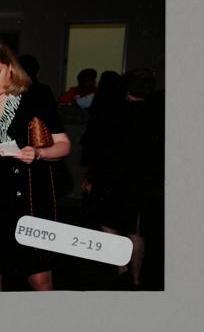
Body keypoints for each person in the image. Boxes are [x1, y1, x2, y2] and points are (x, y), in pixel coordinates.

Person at [0, 39, 71, 291]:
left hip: (29, 197)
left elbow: (64, 145)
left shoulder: (36, 95)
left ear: (11, 66)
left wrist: (39, 153)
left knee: (39, 276)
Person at [83, 68, 163, 289]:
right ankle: (136, 280)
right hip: (145, 182)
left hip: (114, 181)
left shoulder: (115, 113)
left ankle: (122, 270)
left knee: (109, 227)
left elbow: (102, 152)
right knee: (137, 233)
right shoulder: (159, 115)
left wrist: (92, 178)